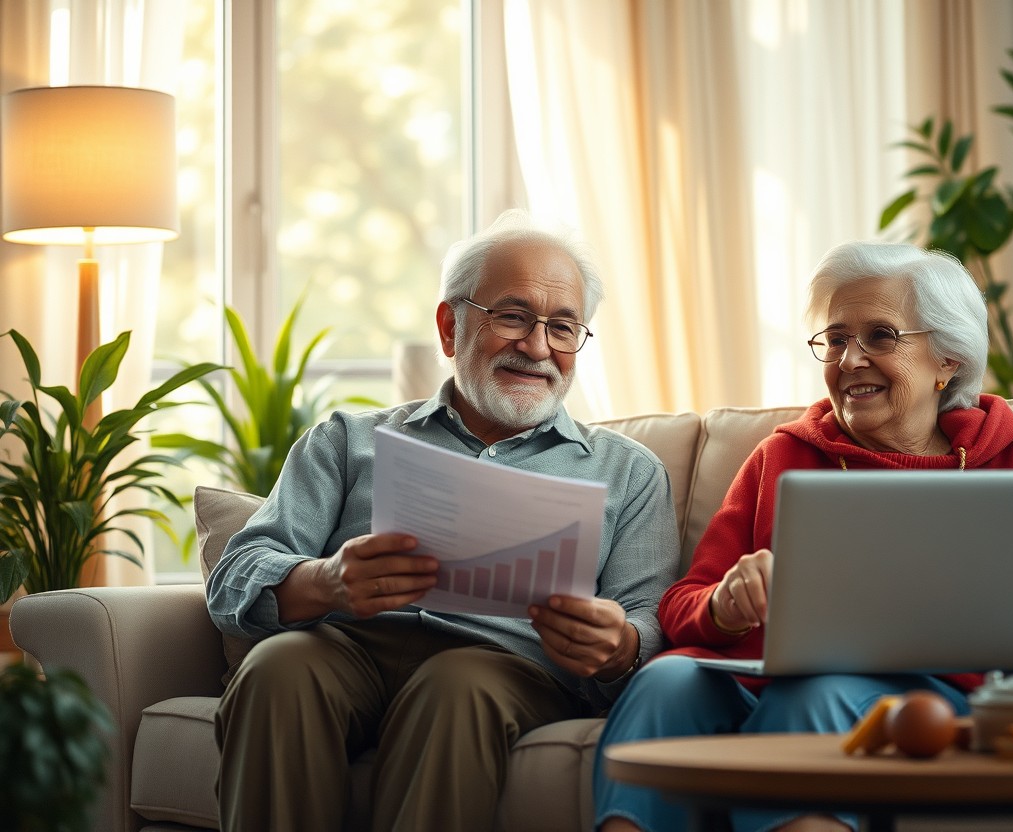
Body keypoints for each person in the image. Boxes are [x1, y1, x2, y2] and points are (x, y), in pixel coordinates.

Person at [592, 240, 1013, 832]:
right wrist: (723, 605)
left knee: (816, 694)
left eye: (881, 337)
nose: (849, 360)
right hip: (752, 674)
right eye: (836, 339)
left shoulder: (1010, 453)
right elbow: (684, 602)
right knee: (665, 680)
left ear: (948, 359)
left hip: (930, 693)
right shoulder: (781, 455)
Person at [207, 210, 681, 832]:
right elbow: (235, 573)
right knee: (277, 671)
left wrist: (618, 645)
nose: (538, 347)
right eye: (513, 317)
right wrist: (322, 580)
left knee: (458, 686)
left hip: (505, 665)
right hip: (351, 642)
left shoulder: (628, 472)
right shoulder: (348, 440)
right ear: (449, 324)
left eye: (563, 328)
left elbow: (650, 619)